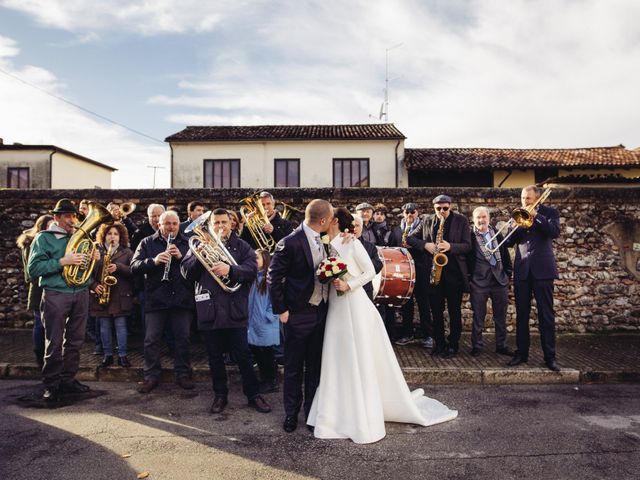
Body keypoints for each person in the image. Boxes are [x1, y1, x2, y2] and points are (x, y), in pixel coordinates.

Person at [306, 208, 458, 444]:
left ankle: (360, 412)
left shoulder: (352, 243)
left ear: (334, 221)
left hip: (353, 305)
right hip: (336, 306)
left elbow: (370, 271)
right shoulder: (327, 243)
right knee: (337, 356)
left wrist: (350, 285)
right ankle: (333, 412)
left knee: (357, 356)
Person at [181, 209, 271, 413]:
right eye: (216, 222)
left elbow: (251, 269)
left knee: (243, 356)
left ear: (231, 224)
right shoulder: (199, 245)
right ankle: (220, 395)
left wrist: (230, 270)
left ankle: (253, 395)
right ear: (210, 225)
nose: (220, 226)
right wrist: (199, 256)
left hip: (234, 309)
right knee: (214, 357)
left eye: (224, 222)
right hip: (209, 310)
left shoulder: (242, 246)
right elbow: (186, 273)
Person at [267, 199, 334, 433]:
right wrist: (281, 311)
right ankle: (291, 414)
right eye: (331, 217)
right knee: (294, 367)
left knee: (315, 367)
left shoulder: (325, 239)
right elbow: (273, 278)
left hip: (321, 313)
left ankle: (312, 413)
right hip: (296, 314)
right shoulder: (289, 242)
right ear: (323, 220)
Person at [27, 199, 99, 402]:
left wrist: (93, 259)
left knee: (76, 340)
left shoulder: (80, 236)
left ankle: (68, 379)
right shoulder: (44, 238)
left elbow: (84, 269)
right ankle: (50, 383)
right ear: (56, 217)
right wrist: (62, 261)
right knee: (54, 341)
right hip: (56, 293)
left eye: (74, 215)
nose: (72, 220)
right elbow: (33, 269)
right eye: (67, 216)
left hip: (80, 292)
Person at [131, 210, 195, 393]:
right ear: (159, 225)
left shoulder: (187, 243)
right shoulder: (147, 242)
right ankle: (151, 376)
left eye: (174, 224)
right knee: (151, 339)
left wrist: (181, 258)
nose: (171, 227)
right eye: (167, 224)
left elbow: (196, 269)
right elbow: (134, 266)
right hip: (156, 298)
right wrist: (154, 261)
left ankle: (182, 374)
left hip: (181, 298)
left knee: (183, 338)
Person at [406, 195, 471, 358]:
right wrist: (425, 245)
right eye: (438, 209)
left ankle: (453, 344)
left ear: (450, 206)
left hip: (454, 274)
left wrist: (451, 246)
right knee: (436, 311)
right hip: (433, 274)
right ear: (434, 208)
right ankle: (439, 343)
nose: (442, 211)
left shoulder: (461, 221)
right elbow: (410, 238)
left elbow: (468, 246)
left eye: (445, 208)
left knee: (454, 312)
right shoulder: (427, 220)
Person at [506, 185, 561, 371]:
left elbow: (554, 232)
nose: (524, 202)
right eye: (522, 198)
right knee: (522, 315)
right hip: (523, 271)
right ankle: (521, 354)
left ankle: (550, 357)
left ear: (537, 199)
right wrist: (514, 227)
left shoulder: (550, 212)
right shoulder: (518, 215)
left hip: (543, 271)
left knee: (546, 315)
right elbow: (508, 243)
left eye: (528, 199)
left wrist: (536, 216)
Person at [467, 207, 514, 358]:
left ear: (488, 218)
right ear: (473, 220)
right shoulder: (470, 236)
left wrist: (507, 274)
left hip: (499, 281)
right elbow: (467, 259)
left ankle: (501, 345)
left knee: (500, 316)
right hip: (479, 282)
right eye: (478, 218)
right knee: (478, 316)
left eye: (484, 217)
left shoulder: (497, 234)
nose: (481, 220)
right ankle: (477, 346)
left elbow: (505, 254)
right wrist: (470, 279)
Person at [90, 223, 134, 368]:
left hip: (121, 296)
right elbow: (87, 274)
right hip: (102, 294)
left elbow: (134, 271)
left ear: (120, 236)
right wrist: (94, 285)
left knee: (121, 326)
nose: (112, 237)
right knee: (104, 327)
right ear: (104, 236)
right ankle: (107, 355)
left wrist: (119, 267)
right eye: (109, 234)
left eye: (115, 234)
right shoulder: (96, 251)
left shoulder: (127, 252)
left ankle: (122, 355)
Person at [16, 214, 54, 366]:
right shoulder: (32, 243)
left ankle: (46, 356)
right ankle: (40, 356)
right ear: (43, 227)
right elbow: (30, 271)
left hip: (47, 287)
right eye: (50, 226)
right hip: (39, 289)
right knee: (40, 323)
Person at [396, 203, 434, 349]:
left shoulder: (425, 227)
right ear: (403, 213)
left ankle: (428, 335)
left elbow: (429, 244)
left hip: (421, 270)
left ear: (418, 212)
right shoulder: (397, 230)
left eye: (413, 212)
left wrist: (417, 244)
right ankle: (407, 334)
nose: (410, 215)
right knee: (406, 303)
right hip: (404, 271)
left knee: (424, 303)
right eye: (407, 212)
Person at [248, 249, 281, 394]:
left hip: (265, 322)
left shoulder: (269, 279)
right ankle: (265, 378)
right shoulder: (252, 277)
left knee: (267, 353)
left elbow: (277, 300)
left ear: (265, 261)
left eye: (257, 258)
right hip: (253, 321)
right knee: (258, 352)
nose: (254, 261)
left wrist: (269, 315)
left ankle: (272, 380)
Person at [352, 215, 383, 302]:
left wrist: (362, 264)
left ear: (362, 228)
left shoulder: (370, 246)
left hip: (365, 289)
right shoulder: (339, 244)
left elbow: (378, 265)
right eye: (352, 225)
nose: (354, 228)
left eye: (357, 225)